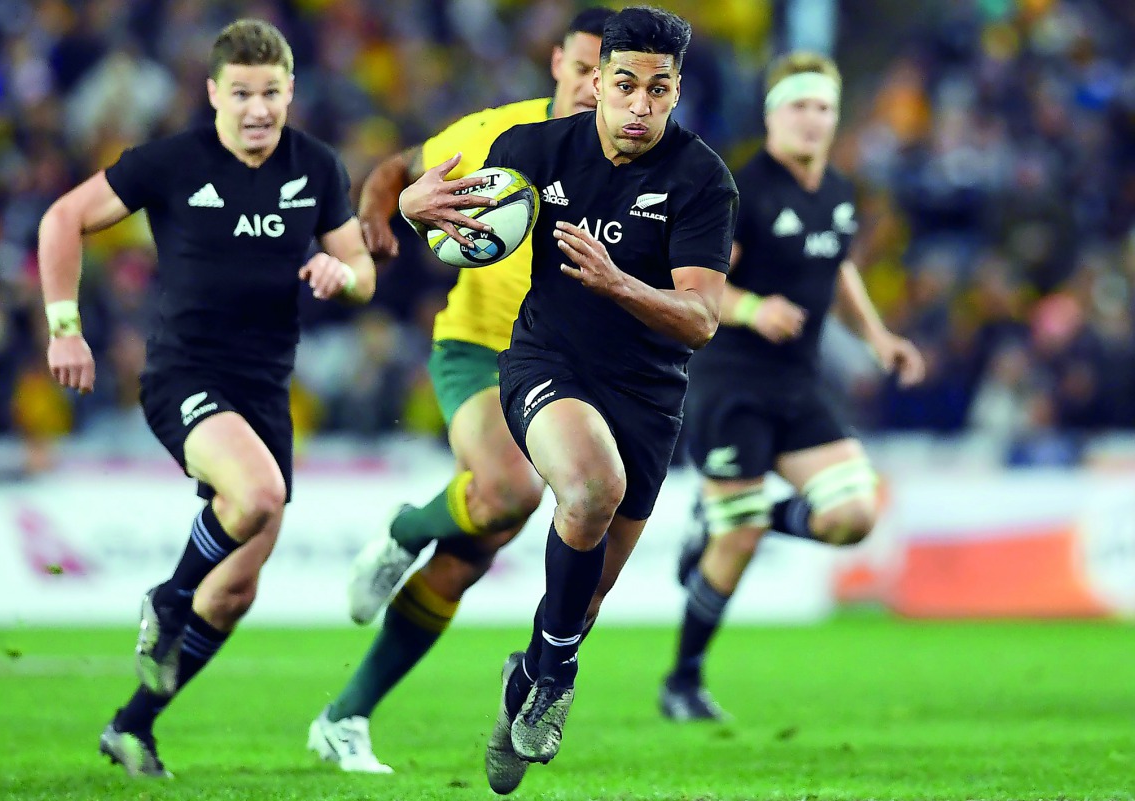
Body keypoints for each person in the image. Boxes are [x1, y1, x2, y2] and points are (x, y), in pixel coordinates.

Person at [400, 7, 737, 793]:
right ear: (596, 81)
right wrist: (420, 214)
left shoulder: (700, 180)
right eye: (625, 84)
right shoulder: (530, 151)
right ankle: (556, 682)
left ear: (676, 89)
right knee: (589, 485)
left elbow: (701, 319)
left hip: (649, 397)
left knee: (578, 606)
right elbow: (449, 219)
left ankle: (533, 675)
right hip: (545, 364)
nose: (640, 104)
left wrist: (621, 283)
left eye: (659, 89)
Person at [37, 19, 375, 777]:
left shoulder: (315, 167)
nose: (258, 109)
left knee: (232, 594)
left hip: (265, 389)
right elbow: (63, 218)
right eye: (243, 94)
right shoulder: (170, 162)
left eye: (272, 92)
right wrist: (66, 327)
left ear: (290, 90)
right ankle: (166, 598)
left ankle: (132, 726)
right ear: (215, 93)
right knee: (256, 494)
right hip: (185, 372)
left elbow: (361, 268)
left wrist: (341, 274)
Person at [308, 8, 615, 775]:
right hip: (480, 350)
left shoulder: (638, 164)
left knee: (470, 555)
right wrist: (382, 212)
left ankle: (343, 716)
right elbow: (396, 167)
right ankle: (407, 527)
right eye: (580, 68)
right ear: (556, 63)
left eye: (603, 76)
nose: (588, 85)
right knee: (508, 490)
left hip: (570, 372)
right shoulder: (497, 132)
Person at [659, 52, 925, 722]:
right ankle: (682, 680)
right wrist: (753, 309)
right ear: (774, 113)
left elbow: (837, 271)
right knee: (737, 540)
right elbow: (697, 283)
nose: (813, 120)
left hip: (798, 382)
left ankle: (727, 516)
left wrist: (879, 337)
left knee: (853, 516)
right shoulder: (742, 190)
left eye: (824, 108)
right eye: (800, 106)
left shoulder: (836, 190)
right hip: (731, 382)